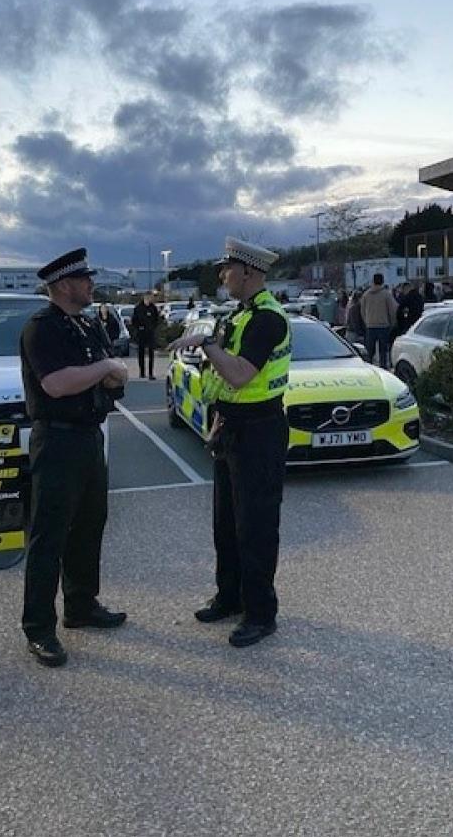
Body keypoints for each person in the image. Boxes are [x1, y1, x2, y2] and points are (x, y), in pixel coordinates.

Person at [169, 236, 291, 648]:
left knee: (256, 526)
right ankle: (230, 596)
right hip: (232, 427)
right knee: (226, 522)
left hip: (261, 431)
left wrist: (206, 345)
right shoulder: (238, 316)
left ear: (249, 273)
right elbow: (225, 382)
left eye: (227, 269)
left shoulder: (268, 319)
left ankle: (261, 613)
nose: (222, 275)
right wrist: (216, 423)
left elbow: (240, 374)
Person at [20, 248, 129, 668]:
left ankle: (81, 606)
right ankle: (39, 629)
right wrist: (104, 368)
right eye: (84, 280)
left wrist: (106, 372)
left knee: (89, 525)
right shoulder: (41, 328)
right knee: (50, 536)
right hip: (57, 440)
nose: (91, 285)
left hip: (88, 437)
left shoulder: (85, 325)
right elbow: (56, 384)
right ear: (64, 285)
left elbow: (118, 376)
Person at [360, 273, 398, 367]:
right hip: (383, 326)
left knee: (369, 352)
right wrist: (392, 323)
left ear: (373, 281)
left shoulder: (366, 295)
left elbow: (362, 311)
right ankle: (383, 369)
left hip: (370, 326)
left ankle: (368, 368)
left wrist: (367, 321)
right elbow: (393, 310)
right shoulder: (386, 294)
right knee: (383, 353)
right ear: (382, 281)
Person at [130, 292, 160, 380]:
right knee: (141, 353)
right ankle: (142, 372)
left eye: (150, 298)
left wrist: (153, 327)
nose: (149, 299)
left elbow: (156, 319)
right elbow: (134, 320)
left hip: (150, 333)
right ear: (144, 298)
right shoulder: (138, 308)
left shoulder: (153, 308)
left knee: (151, 353)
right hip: (141, 333)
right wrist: (139, 327)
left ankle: (151, 373)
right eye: (147, 298)